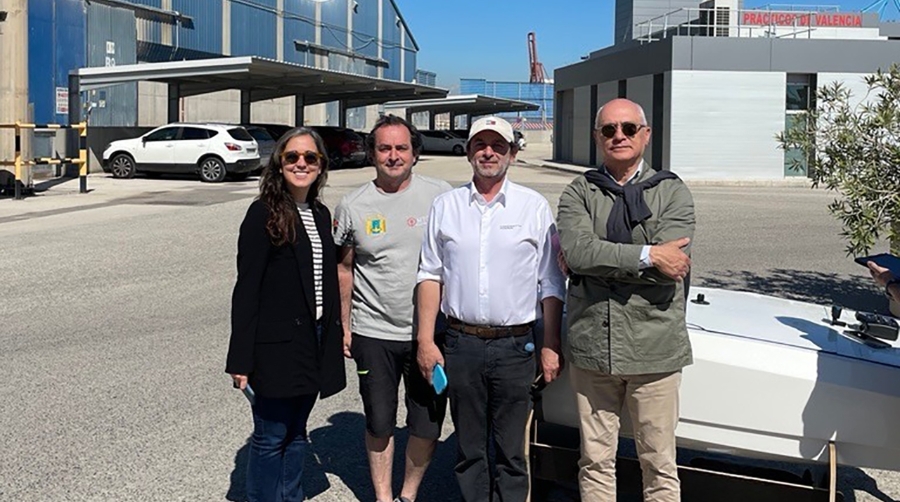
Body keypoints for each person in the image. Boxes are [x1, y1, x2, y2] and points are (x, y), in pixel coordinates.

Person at [416, 116, 566, 502]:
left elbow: (551, 283)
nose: (488, 152)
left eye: (498, 146)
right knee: (469, 449)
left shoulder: (533, 207)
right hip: (461, 343)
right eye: (480, 145)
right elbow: (430, 275)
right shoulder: (446, 206)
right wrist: (425, 341)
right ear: (468, 152)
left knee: (511, 451)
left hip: (516, 347)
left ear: (512, 154)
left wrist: (551, 344)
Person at [556, 98, 696, 502]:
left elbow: (673, 265)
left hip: (654, 348)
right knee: (595, 461)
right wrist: (649, 255)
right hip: (593, 348)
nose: (619, 136)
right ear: (597, 137)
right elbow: (578, 253)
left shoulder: (671, 191)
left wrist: (597, 261)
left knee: (659, 463)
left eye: (629, 128)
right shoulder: (579, 191)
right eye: (609, 129)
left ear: (645, 135)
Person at [334, 115, 452, 502]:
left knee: (426, 424)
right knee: (379, 422)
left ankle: (408, 495)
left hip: (431, 334)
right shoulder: (352, 205)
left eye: (402, 147)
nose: (393, 156)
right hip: (374, 333)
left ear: (415, 153)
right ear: (372, 154)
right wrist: (345, 326)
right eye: (384, 148)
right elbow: (344, 269)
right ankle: (384, 497)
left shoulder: (441, 196)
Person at [226, 127, 346, 502]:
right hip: (275, 346)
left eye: (310, 157)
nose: (301, 163)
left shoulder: (320, 214)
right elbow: (247, 289)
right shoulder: (263, 213)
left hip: (312, 341)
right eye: (292, 156)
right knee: (271, 435)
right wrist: (241, 359)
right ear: (279, 163)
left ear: (321, 165)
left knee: (297, 433)